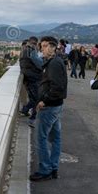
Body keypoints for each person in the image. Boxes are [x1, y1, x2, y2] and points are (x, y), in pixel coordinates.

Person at [29, 36, 67, 182]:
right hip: (56, 106)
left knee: (41, 138)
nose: (42, 49)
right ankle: (53, 168)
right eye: (41, 46)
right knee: (55, 138)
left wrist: (44, 101)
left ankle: (45, 170)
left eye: (44, 46)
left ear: (53, 47)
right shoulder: (54, 62)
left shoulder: (54, 64)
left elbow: (57, 87)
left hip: (50, 107)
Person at [19, 36, 43, 127]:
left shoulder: (23, 50)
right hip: (33, 78)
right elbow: (40, 64)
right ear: (35, 43)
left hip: (27, 77)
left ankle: (25, 111)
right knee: (36, 99)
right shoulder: (31, 50)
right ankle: (32, 118)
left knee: (33, 98)